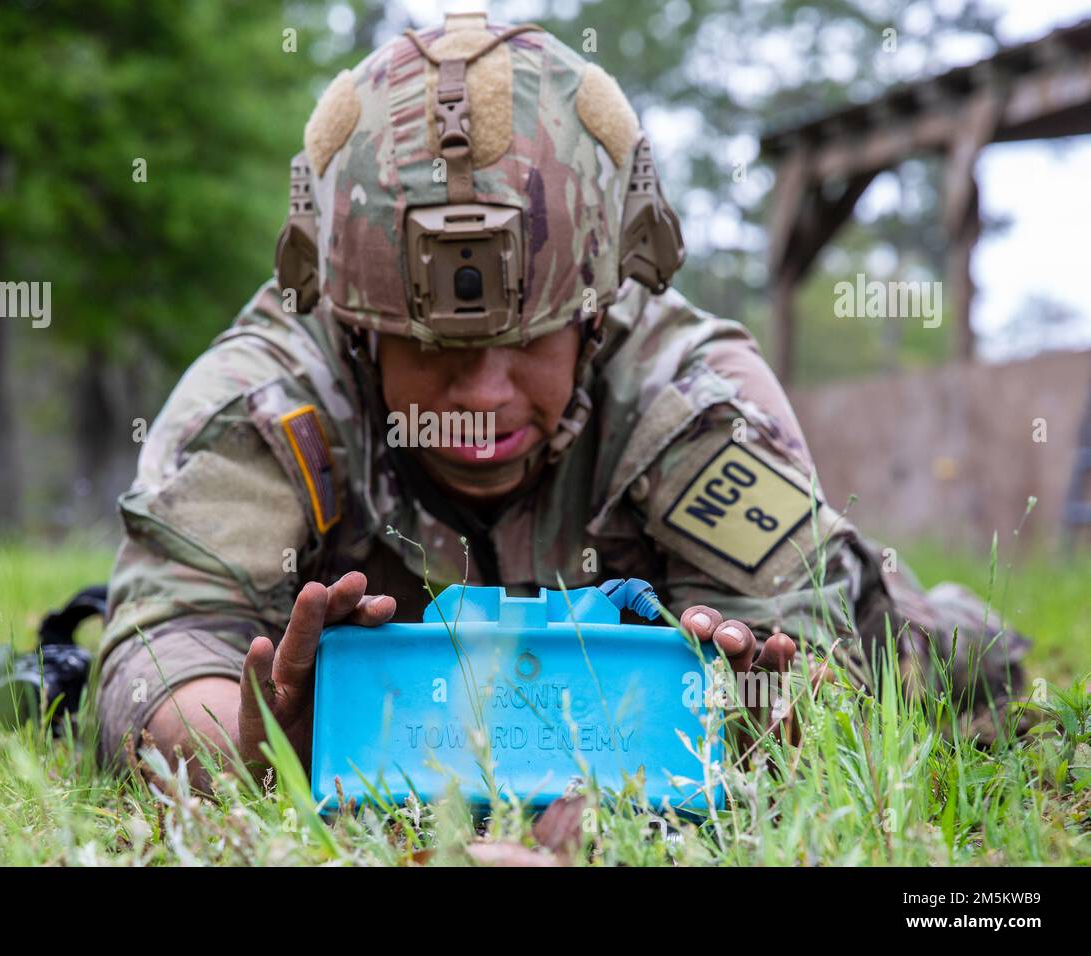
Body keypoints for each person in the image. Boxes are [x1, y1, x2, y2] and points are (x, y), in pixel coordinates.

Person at [94, 14, 1029, 787]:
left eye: (527, 343)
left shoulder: (684, 396)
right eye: (431, 351)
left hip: (851, 628)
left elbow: (802, 660)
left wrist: (765, 722)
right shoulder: (270, 397)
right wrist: (255, 746)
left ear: (596, 309)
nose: (485, 396)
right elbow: (161, 649)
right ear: (355, 328)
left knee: (939, 658)